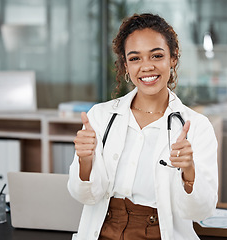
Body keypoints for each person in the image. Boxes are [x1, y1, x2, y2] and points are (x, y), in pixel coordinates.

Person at [68, 13, 218, 240]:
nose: (146, 67)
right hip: (102, 232)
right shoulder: (100, 116)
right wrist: (85, 161)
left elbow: (202, 212)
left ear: (173, 58)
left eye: (156, 56)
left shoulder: (197, 127)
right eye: (135, 58)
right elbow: (85, 196)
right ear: (126, 65)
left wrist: (189, 172)